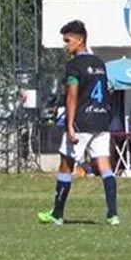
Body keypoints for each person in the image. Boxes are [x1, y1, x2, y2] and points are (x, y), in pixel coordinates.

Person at [38, 20, 119, 225]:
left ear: (80, 40)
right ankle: (113, 214)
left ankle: (57, 213)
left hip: (82, 122)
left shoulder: (74, 65)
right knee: (104, 166)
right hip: (101, 121)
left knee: (66, 165)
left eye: (68, 40)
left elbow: (72, 96)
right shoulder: (100, 63)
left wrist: (70, 125)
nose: (66, 45)